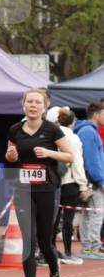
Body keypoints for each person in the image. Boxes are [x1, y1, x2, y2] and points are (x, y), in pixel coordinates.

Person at [5, 89, 73, 277]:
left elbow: (70, 156)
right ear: (23, 104)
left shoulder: (52, 130)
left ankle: (54, 270)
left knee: (44, 241)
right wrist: (11, 155)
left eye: (37, 102)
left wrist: (50, 153)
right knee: (29, 242)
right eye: (29, 101)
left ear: (44, 106)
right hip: (24, 190)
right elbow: (10, 154)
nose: (33, 105)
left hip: (47, 190)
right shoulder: (15, 129)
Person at [54, 107, 89, 264]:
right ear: (72, 122)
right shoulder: (73, 138)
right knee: (68, 219)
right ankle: (68, 252)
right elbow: (77, 163)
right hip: (69, 182)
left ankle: (50, 250)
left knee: (52, 219)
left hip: (53, 181)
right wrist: (83, 186)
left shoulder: (51, 133)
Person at [74, 102, 104, 259]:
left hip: (89, 179)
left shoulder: (87, 130)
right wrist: (101, 181)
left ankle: (87, 248)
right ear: (96, 114)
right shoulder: (88, 132)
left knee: (88, 214)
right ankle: (92, 248)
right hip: (92, 180)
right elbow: (92, 160)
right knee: (97, 213)